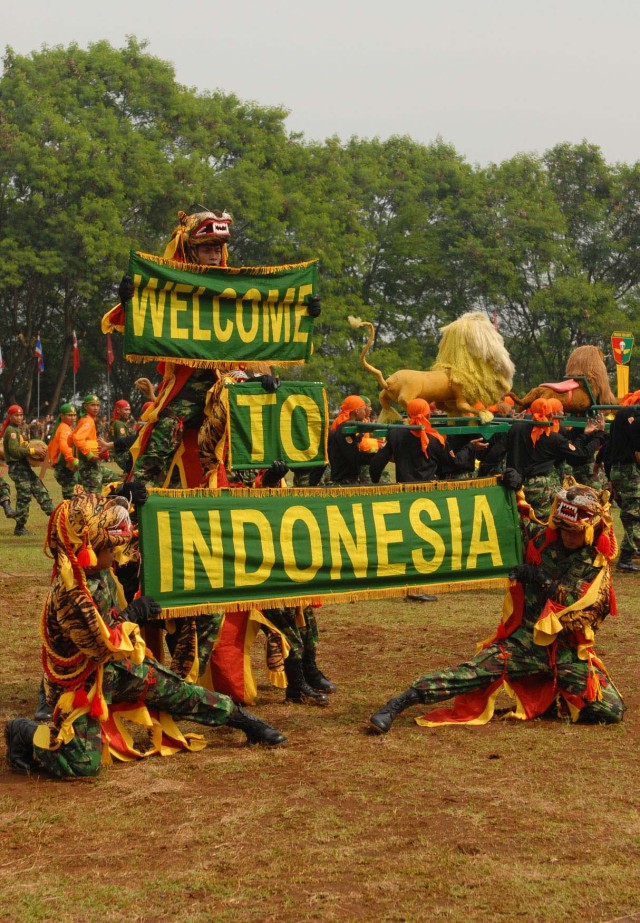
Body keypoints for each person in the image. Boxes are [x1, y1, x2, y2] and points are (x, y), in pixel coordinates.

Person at [4, 488, 286, 777]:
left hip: (115, 667)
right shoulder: (71, 594)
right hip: (81, 684)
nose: (116, 552)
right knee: (81, 764)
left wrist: (136, 504)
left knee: (178, 691)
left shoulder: (95, 569)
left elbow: (133, 542)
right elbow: (103, 647)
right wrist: (132, 615)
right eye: (109, 548)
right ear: (87, 547)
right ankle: (23, 732)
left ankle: (245, 722)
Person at [369, 477, 624, 734]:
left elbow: (574, 604)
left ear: (591, 529)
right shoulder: (541, 540)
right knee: (472, 673)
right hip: (523, 643)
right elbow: (509, 522)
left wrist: (541, 579)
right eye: (564, 528)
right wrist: (508, 489)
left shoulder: (596, 565)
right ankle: (400, 702)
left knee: (611, 710)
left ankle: (552, 698)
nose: (568, 536)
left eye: (575, 531)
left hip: (566, 653)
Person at [505, 397, 606, 526]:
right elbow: (580, 454)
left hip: (517, 485)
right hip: (540, 488)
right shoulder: (552, 438)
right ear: (551, 413)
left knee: (521, 522)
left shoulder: (515, 428)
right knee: (542, 524)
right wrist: (599, 435)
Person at [369, 398, 487, 484]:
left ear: (409, 414)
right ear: (429, 415)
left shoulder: (395, 433)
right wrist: (470, 447)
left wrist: (375, 481)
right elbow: (453, 463)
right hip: (428, 494)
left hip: (403, 491)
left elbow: (377, 463)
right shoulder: (435, 440)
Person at [1, 404, 53, 536]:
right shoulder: (11, 431)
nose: (19, 418)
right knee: (24, 496)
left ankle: (55, 518)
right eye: (16, 415)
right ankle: (19, 527)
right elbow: (14, 451)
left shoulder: (17, 429)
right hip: (17, 468)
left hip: (23, 466)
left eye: (20, 415)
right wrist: (32, 450)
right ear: (10, 416)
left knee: (40, 490)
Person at [602, 401, 640, 573]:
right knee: (633, 515)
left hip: (618, 470)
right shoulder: (631, 417)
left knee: (632, 513)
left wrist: (610, 477)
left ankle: (632, 551)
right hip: (628, 471)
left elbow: (608, 450)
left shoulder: (618, 423)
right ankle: (626, 557)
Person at [71, 394, 115, 492]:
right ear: (85, 406)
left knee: (116, 481)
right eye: (92, 405)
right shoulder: (87, 421)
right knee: (93, 496)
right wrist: (89, 454)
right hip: (89, 464)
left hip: (90, 464)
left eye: (97, 405)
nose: (96, 408)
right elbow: (77, 438)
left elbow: (73, 437)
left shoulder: (86, 419)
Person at [47, 402, 79, 500]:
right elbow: (64, 446)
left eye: (74, 415)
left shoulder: (65, 427)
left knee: (71, 498)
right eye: (70, 415)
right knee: (71, 499)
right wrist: (72, 459)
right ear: (62, 416)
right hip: (64, 469)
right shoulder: (64, 428)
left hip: (63, 468)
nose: (73, 418)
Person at [107, 400, 136, 473]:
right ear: (118, 410)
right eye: (126, 410)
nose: (128, 412)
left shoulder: (117, 422)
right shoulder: (119, 424)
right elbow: (123, 441)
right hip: (123, 455)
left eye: (129, 410)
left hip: (121, 455)